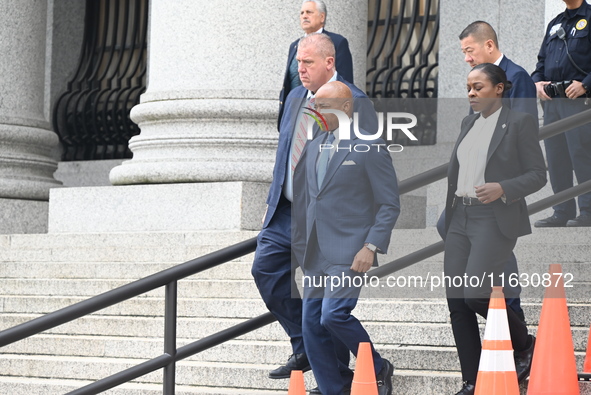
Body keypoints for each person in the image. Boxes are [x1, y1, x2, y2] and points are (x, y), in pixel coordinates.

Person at [251, 33, 377, 382]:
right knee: (265, 272)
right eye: (297, 62)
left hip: (328, 220)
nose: (300, 69)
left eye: (307, 62)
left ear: (329, 63)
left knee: (324, 306)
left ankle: (335, 372)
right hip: (286, 211)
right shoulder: (294, 97)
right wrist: (270, 202)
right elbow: (284, 153)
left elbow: (369, 166)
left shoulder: (356, 101)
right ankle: (303, 346)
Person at [444, 63, 546, 395]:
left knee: (475, 294)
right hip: (461, 218)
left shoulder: (520, 122)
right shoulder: (467, 122)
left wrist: (503, 186)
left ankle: (526, 343)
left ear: (499, 89)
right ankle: (472, 381)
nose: (471, 94)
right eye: (468, 88)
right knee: (457, 302)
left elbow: (537, 174)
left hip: (494, 218)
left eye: (478, 87)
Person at [299, 80, 398, 395]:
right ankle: (335, 389)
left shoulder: (369, 145)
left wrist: (370, 246)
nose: (315, 111)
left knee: (333, 315)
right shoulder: (314, 146)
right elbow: (309, 198)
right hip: (316, 251)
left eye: (322, 105)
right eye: (314, 105)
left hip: (351, 248)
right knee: (311, 325)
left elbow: (389, 203)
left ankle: (378, 366)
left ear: (345, 107)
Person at [438, 20, 540, 323]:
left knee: (500, 256)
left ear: (489, 46)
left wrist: (503, 184)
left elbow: (523, 134)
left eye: (470, 50)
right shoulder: (479, 82)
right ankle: (513, 333)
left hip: (498, 194)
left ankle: (517, 329)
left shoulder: (516, 77)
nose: (467, 57)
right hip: (472, 195)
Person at [531, 0, 591, 228]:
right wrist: (536, 84)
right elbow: (541, 63)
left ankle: (588, 210)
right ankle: (562, 210)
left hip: (579, 101)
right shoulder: (555, 23)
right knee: (557, 158)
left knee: (582, 154)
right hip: (552, 102)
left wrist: (585, 84)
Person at [278, 0, 354, 130]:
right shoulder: (295, 45)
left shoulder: (337, 42)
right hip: (296, 106)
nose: (304, 16)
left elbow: (344, 81)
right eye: (302, 13)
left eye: (309, 12)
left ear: (322, 17)